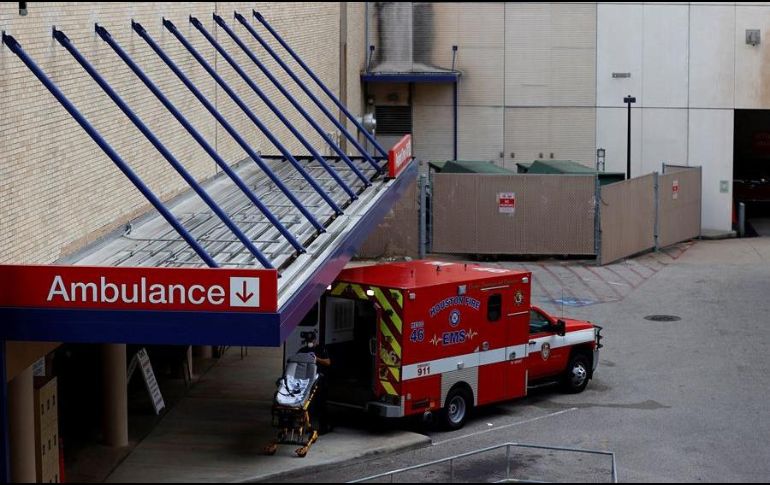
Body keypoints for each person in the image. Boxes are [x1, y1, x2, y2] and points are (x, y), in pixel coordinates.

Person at [298, 331, 333, 434]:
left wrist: (316, 359)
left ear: (315, 340)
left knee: (321, 404)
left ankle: (324, 427)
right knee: (308, 405)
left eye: (311, 340)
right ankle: (307, 426)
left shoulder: (321, 349)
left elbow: (328, 362)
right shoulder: (303, 350)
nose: (310, 342)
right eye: (308, 341)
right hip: (307, 381)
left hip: (320, 380)